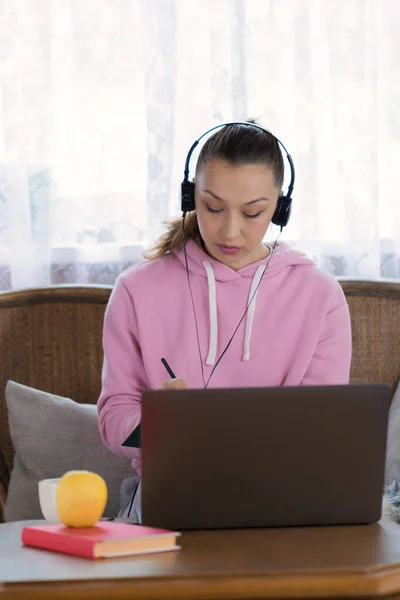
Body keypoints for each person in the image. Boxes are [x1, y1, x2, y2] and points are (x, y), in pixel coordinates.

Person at [97, 121, 352, 521]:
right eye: (212, 207)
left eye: (253, 212)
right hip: (171, 498)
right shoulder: (135, 290)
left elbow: (326, 429)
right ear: (190, 197)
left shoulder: (320, 296)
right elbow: (114, 419)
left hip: (286, 499)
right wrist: (160, 424)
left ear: (280, 209)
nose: (230, 230)